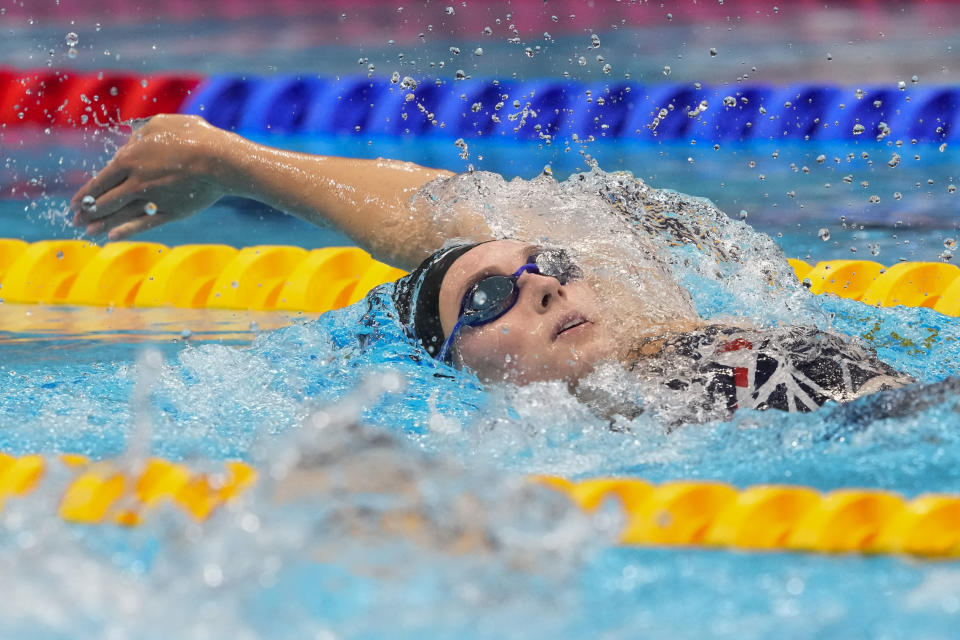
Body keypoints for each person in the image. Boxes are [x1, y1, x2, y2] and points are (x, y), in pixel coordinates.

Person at [70, 114, 912, 424]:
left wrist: (229, 158)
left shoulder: (661, 323)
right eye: (489, 297)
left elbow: (431, 210)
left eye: (551, 267)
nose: (545, 282)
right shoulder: (524, 454)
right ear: (454, 368)